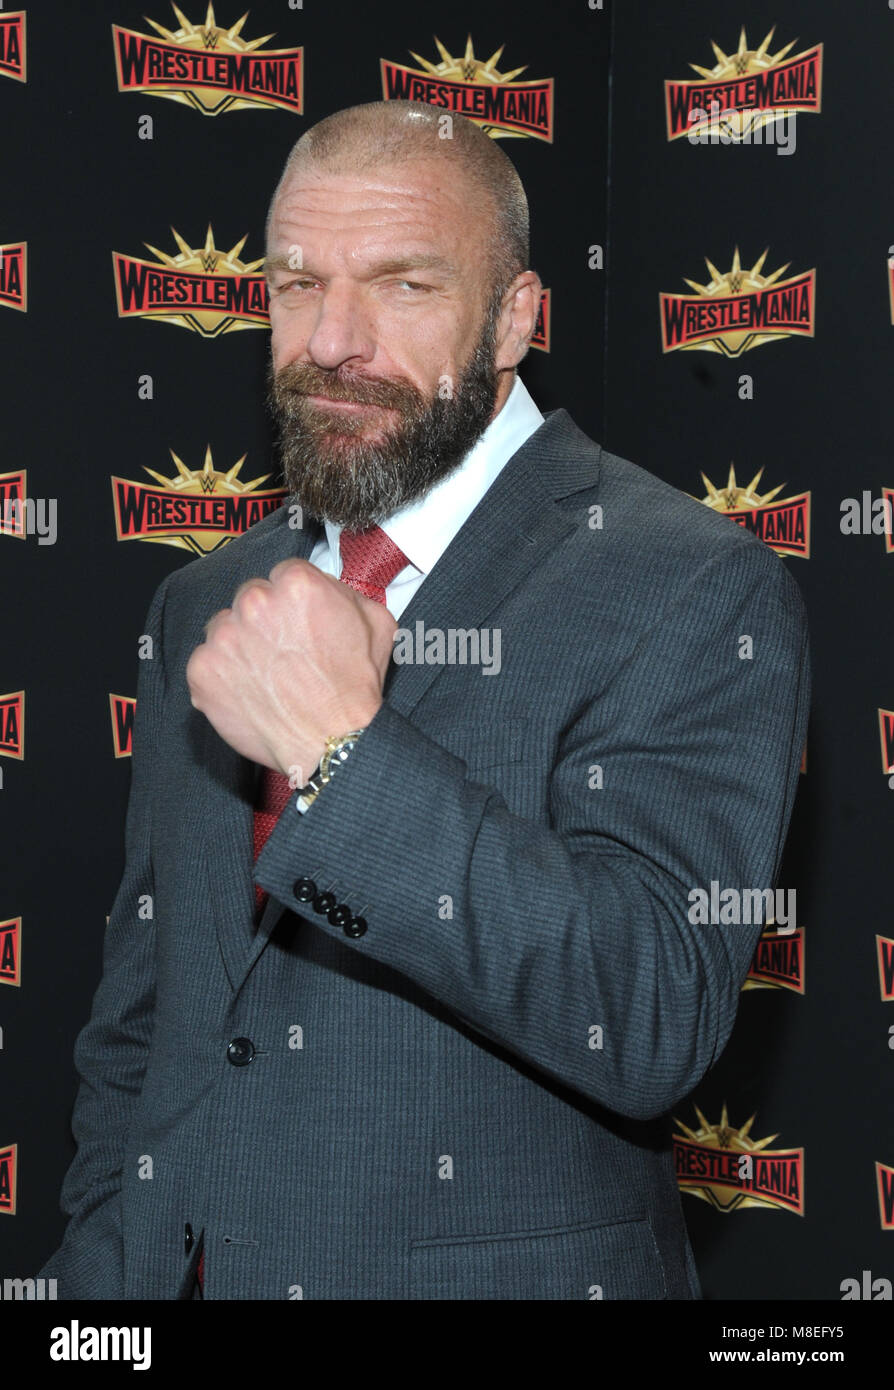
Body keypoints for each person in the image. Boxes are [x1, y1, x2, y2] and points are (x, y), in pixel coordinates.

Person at [38, 99, 810, 1300]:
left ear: (514, 318)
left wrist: (343, 756)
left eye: (400, 285)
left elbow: (651, 1011)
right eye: (295, 284)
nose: (332, 339)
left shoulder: (689, 582)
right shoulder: (209, 599)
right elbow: (147, 1023)